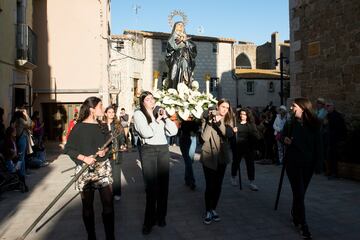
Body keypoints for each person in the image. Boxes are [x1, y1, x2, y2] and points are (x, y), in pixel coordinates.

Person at [64, 97, 115, 240]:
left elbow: (109, 145)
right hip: (85, 170)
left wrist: (105, 152)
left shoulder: (102, 126)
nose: (103, 109)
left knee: (108, 204)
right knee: (87, 207)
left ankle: (110, 236)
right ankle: (91, 236)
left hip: (103, 168)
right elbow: (68, 149)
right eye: (100, 106)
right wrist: (84, 158)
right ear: (92, 109)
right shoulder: (78, 127)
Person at [133, 91, 178, 235]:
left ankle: (161, 216)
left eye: (153, 98)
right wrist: (156, 121)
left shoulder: (159, 112)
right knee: (151, 188)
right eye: (148, 99)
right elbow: (147, 133)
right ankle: (149, 221)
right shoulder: (139, 114)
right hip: (149, 150)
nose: (151, 101)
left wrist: (166, 118)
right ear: (142, 102)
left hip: (163, 149)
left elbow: (173, 132)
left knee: (164, 186)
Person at [283, 97, 322, 240]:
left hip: (308, 165)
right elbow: (282, 135)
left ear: (303, 108)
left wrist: (318, 165)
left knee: (300, 193)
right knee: (299, 193)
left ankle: (296, 214)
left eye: (294, 106)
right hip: (292, 163)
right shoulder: (291, 123)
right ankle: (303, 225)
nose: (292, 108)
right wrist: (284, 139)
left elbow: (319, 146)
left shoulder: (314, 125)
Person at [200, 99, 234, 225]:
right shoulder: (207, 117)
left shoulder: (228, 119)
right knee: (210, 185)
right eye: (223, 107)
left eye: (227, 107)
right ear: (217, 107)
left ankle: (214, 208)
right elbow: (204, 138)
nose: (225, 109)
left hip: (222, 156)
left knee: (218, 185)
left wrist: (219, 122)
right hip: (209, 155)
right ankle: (208, 211)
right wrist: (209, 123)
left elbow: (227, 134)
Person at [230, 108, 260, 190]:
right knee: (236, 162)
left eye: (244, 114)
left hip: (248, 147)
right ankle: (233, 177)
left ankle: (251, 181)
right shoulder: (237, 123)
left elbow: (256, 136)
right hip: (238, 146)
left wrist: (254, 144)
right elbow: (231, 136)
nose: (242, 115)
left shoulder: (251, 124)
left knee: (250, 164)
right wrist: (234, 132)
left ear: (248, 115)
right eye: (241, 114)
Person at [165, 21, 197, 89]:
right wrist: (180, 41)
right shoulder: (172, 38)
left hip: (186, 60)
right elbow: (170, 48)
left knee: (186, 77)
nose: (181, 26)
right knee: (174, 77)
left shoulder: (187, 39)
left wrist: (186, 41)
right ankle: (173, 91)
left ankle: (185, 90)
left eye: (182, 25)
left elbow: (193, 48)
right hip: (175, 60)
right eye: (179, 25)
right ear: (175, 27)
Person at [104, 105, 126, 200]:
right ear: (105, 114)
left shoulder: (118, 124)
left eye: (113, 112)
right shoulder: (101, 124)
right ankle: (107, 193)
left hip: (115, 152)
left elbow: (122, 137)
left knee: (116, 175)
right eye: (109, 112)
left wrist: (122, 144)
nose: (111, 114)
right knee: (105, 175)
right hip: (104, 154)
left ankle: (117, 193)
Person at [325, 101, 347, 179]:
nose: (327, 107)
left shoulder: (336, 116)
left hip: (335, 140)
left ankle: (334, 173)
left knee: (334, 156)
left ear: (333, 107)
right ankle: (330, 172)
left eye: (328, 106)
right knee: (330, 156)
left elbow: (339, 128)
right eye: (326, 106)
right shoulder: (329, 115)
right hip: (331, 139)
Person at [179, 120, 200, 190]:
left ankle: (187, 179)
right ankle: (191, 181)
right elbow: (181, 126)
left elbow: (198, 125)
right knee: (188, 161)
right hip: (184, 137)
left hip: (192, 137)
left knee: (189, 161)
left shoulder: (195, 114)